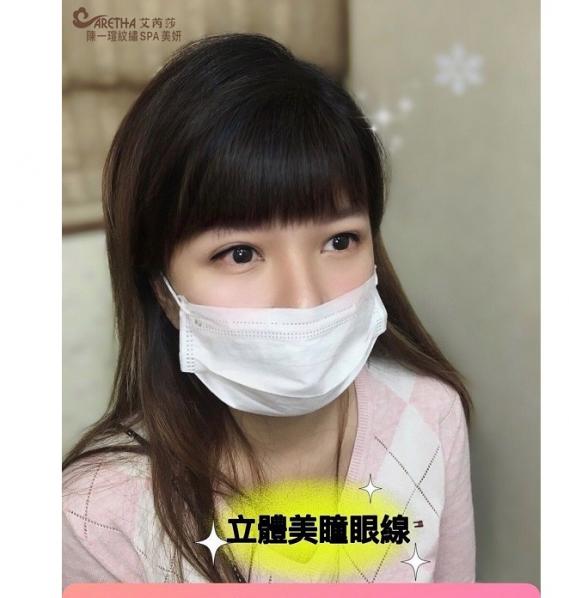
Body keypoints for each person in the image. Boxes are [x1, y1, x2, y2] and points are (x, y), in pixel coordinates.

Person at [62, 32, 476, 588]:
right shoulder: (96, 515)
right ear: (163, 290)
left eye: (339, 241)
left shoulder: (430, 413)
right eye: (240, 254)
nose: (305, 298)